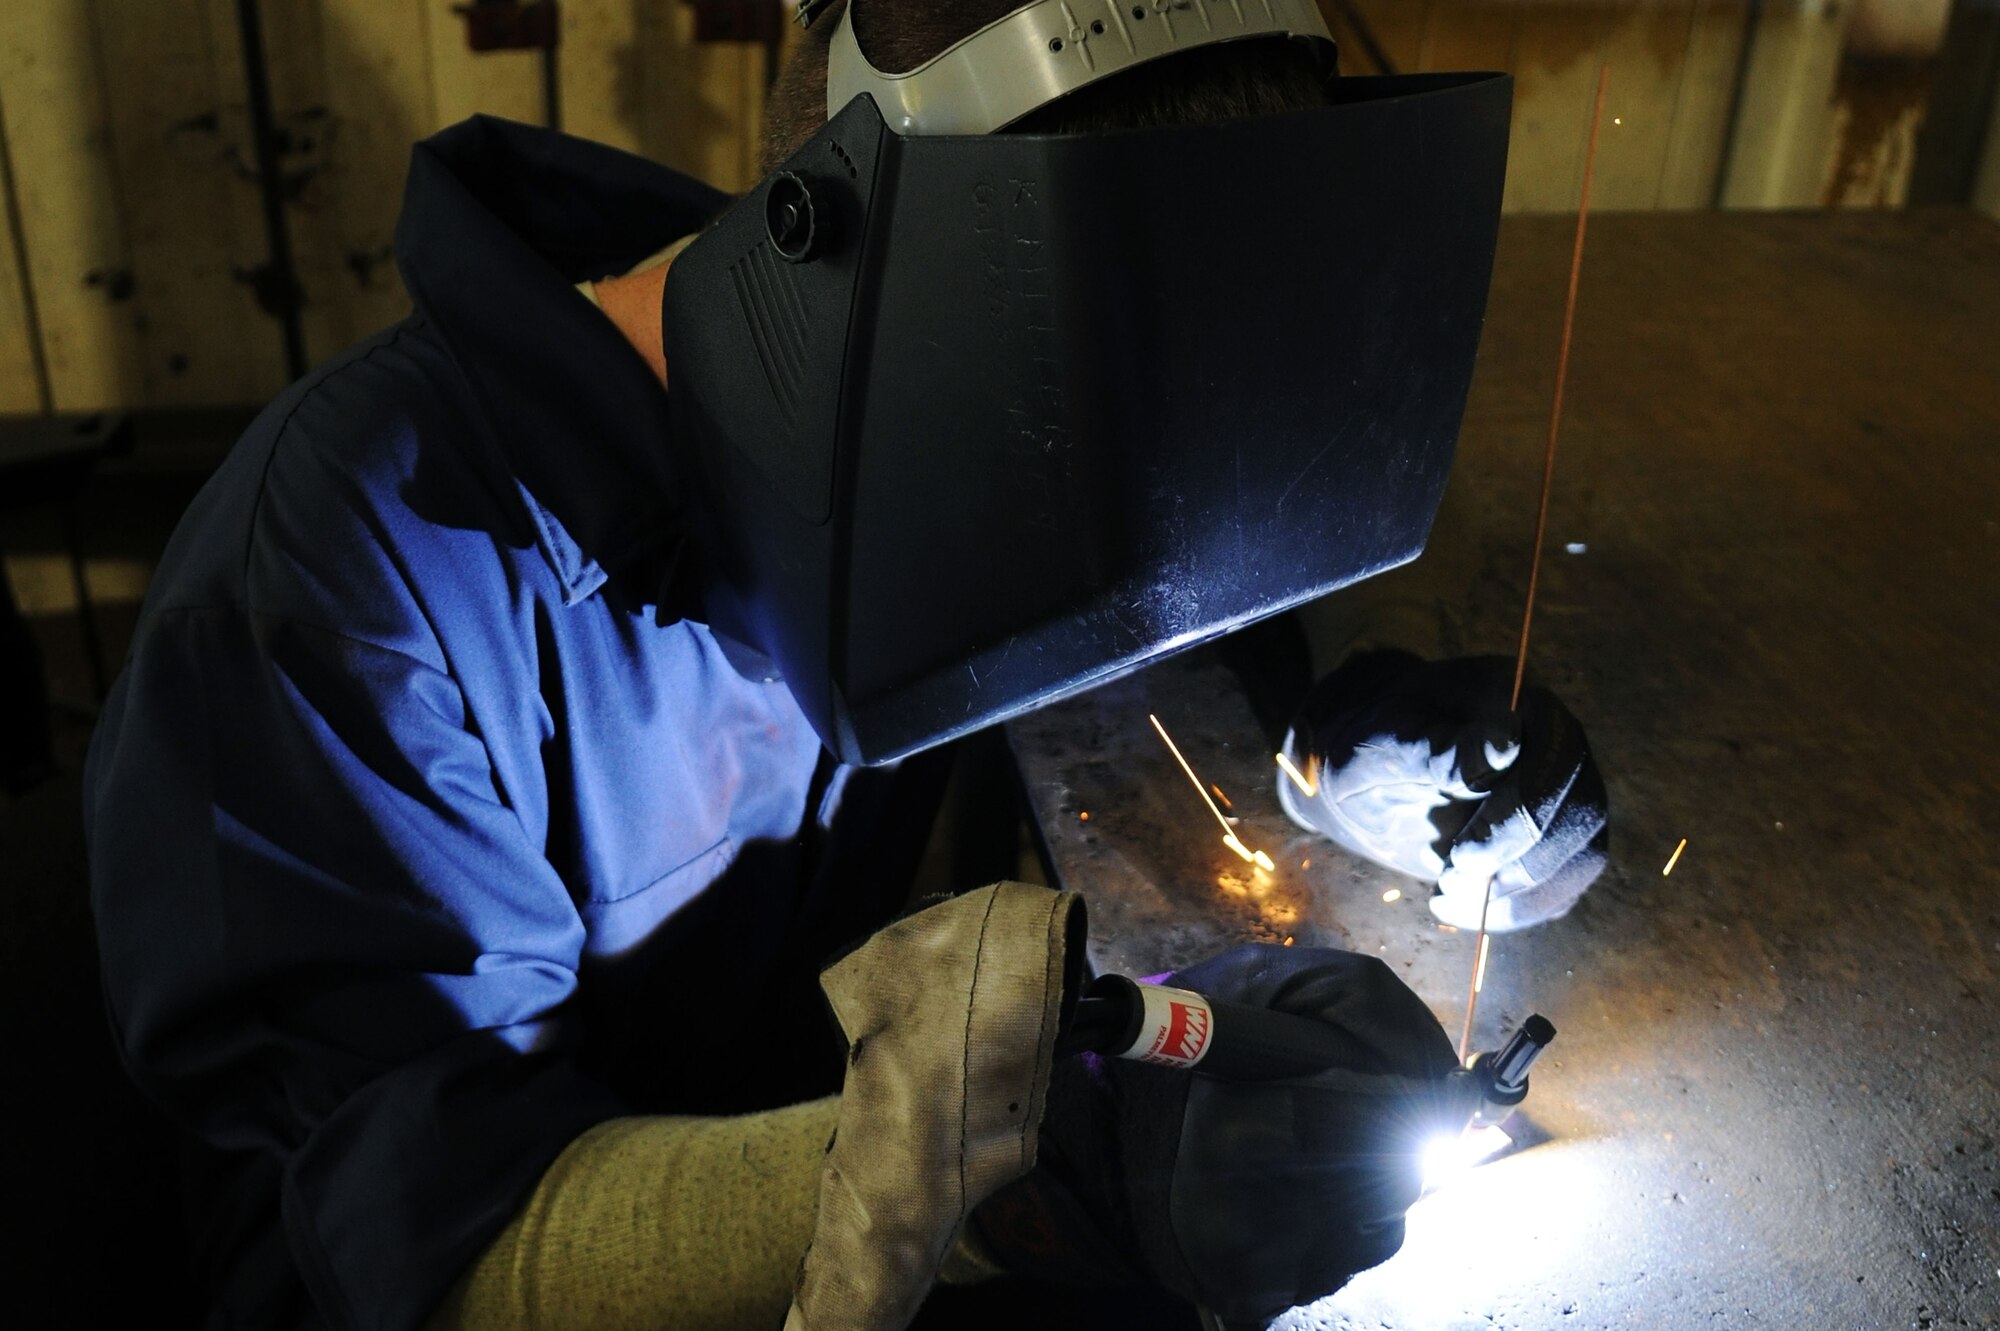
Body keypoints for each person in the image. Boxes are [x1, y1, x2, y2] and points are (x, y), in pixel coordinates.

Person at [84, 3, 1603, 1329]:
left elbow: (1119, 576)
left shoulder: (901, 389)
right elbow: (445, 1263)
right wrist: (1010, 1162)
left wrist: (1319, 745)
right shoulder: (353, 581)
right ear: (839, 250)